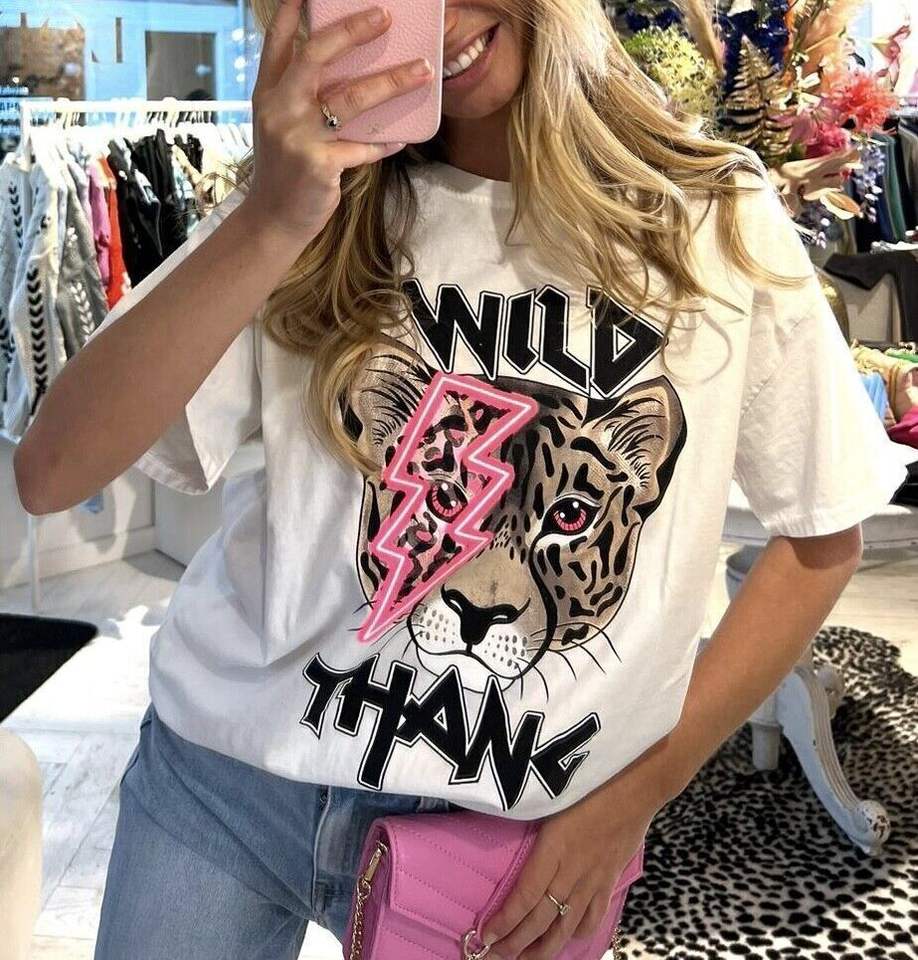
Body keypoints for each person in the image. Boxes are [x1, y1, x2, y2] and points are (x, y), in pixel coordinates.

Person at [13, 1, 908, 959]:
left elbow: (822, 540)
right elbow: (52, 472)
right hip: (224, 779)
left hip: (507, 838)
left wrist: (633, 797)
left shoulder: (710, 215)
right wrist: (271, 219)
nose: (435, 19)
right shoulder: (309, 201)